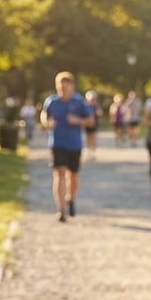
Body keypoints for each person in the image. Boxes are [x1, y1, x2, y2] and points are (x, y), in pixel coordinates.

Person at [40, 72, 94, 222]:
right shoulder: (51, 101)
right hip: (57, 143)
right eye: (60, 86)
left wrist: (78, 121)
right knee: (59, 173)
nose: (63, 88)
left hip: (75, 144)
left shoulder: (79, 102)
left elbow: (90, 121)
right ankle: (61, 209)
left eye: (66, 85)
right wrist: (47, 123)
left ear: (72, 86)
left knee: (73, 176)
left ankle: (70, 198)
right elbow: (44, 115)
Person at [83, 90, 101, 160]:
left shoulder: (96, 105)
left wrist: (97, 113)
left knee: (93, 138)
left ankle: (93, 153)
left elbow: (100, 113)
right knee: (88, 138)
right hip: (87, 124)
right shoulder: (85, 105)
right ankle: (89, 152)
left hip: (95, 123)